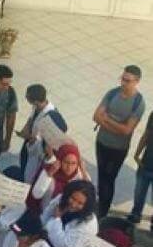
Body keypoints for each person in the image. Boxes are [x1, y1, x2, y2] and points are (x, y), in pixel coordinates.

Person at [94, 65, 146, 217]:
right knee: (101, 176)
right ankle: (100, 205)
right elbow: (96, 116)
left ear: (136, 81)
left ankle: (103, 211)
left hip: (118, 149)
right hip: (102, 142)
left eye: (127, 80)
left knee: (109, 179)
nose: (123, 82)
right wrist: (117, 126)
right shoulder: (112, 93)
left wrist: (107, 119)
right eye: (122, 78)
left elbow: (126, 131)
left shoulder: (138, 102)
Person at [16, 84, 68, 184]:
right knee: (24, 164)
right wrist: (24, 131)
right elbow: (31, 119)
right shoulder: (36, 107)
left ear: (35, 101)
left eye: (27, 97)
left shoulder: (50, 115)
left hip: (38, 152)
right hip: (30, 145)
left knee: (30, 175)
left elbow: (45, 139)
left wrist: (30, 137)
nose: (26, 98)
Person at [28, 143, 89, 213]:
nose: (69, 167)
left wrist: (84, 171)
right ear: (59, 160)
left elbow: (89, 193)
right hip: (43, 212)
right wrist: (50, 174)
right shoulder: (49, 170)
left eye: (73, 163)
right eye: (66, 162)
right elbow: (36, 194)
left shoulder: (79, 174)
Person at [129, 112, 153, 227]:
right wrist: (137, 153)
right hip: (146, 164)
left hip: (146, 164)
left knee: (140, 192)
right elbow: (146, 135)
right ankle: (135, 214)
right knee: (139, 192)